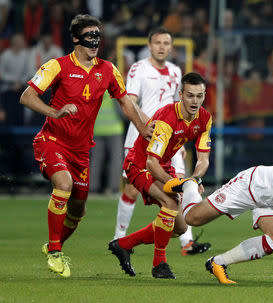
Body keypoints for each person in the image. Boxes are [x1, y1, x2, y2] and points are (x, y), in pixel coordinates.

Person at [19, 14, 152, 278]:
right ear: (76, 38)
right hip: (53, 141)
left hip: (81, 151)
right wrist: (54, 112)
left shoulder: (108, 69)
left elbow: (125, 101)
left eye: (98, 37)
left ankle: (53, 246)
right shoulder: (57, 66)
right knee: (64, 184)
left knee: (78, 210)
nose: (94, 42)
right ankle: (56, 252)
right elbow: (27, 96)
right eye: (90, 36)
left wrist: (141, 128)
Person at [113, 26, 211, 255]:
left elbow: (183, 107)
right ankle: (119, 236)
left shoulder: (177, 72)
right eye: (157, 43)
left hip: (172, 139)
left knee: (179, 184)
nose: (161, 47)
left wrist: (182, 142)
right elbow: (130, 101)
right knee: (132, 188)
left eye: (166, 44)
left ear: (171, 47)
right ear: (149, 46)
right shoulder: (139, 69)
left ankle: (186, 242)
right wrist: (150, 123)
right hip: (142, 134)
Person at [108, 72, 212, 279]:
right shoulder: (167, 118)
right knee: (171, 203)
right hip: (140, 165)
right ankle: (159, 264)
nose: (195, 101)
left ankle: (124, 244)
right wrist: (177, 184)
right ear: (180, 95)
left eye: (199, 96)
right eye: (190, 95)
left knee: (181, 227)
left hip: (162, 165)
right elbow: (151, 162)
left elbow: (203, 160)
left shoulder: (205, 118)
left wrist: (195, 179)